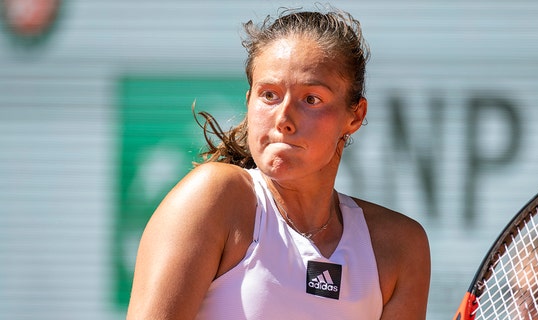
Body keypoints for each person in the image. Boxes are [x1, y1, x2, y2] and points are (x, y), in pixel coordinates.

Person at [126, 6, 431, 320]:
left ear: (355, 116)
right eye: (269, 95)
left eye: (311, 99)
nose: (283, 119)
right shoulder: (213, 197)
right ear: (249, 102)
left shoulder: (401, 247)